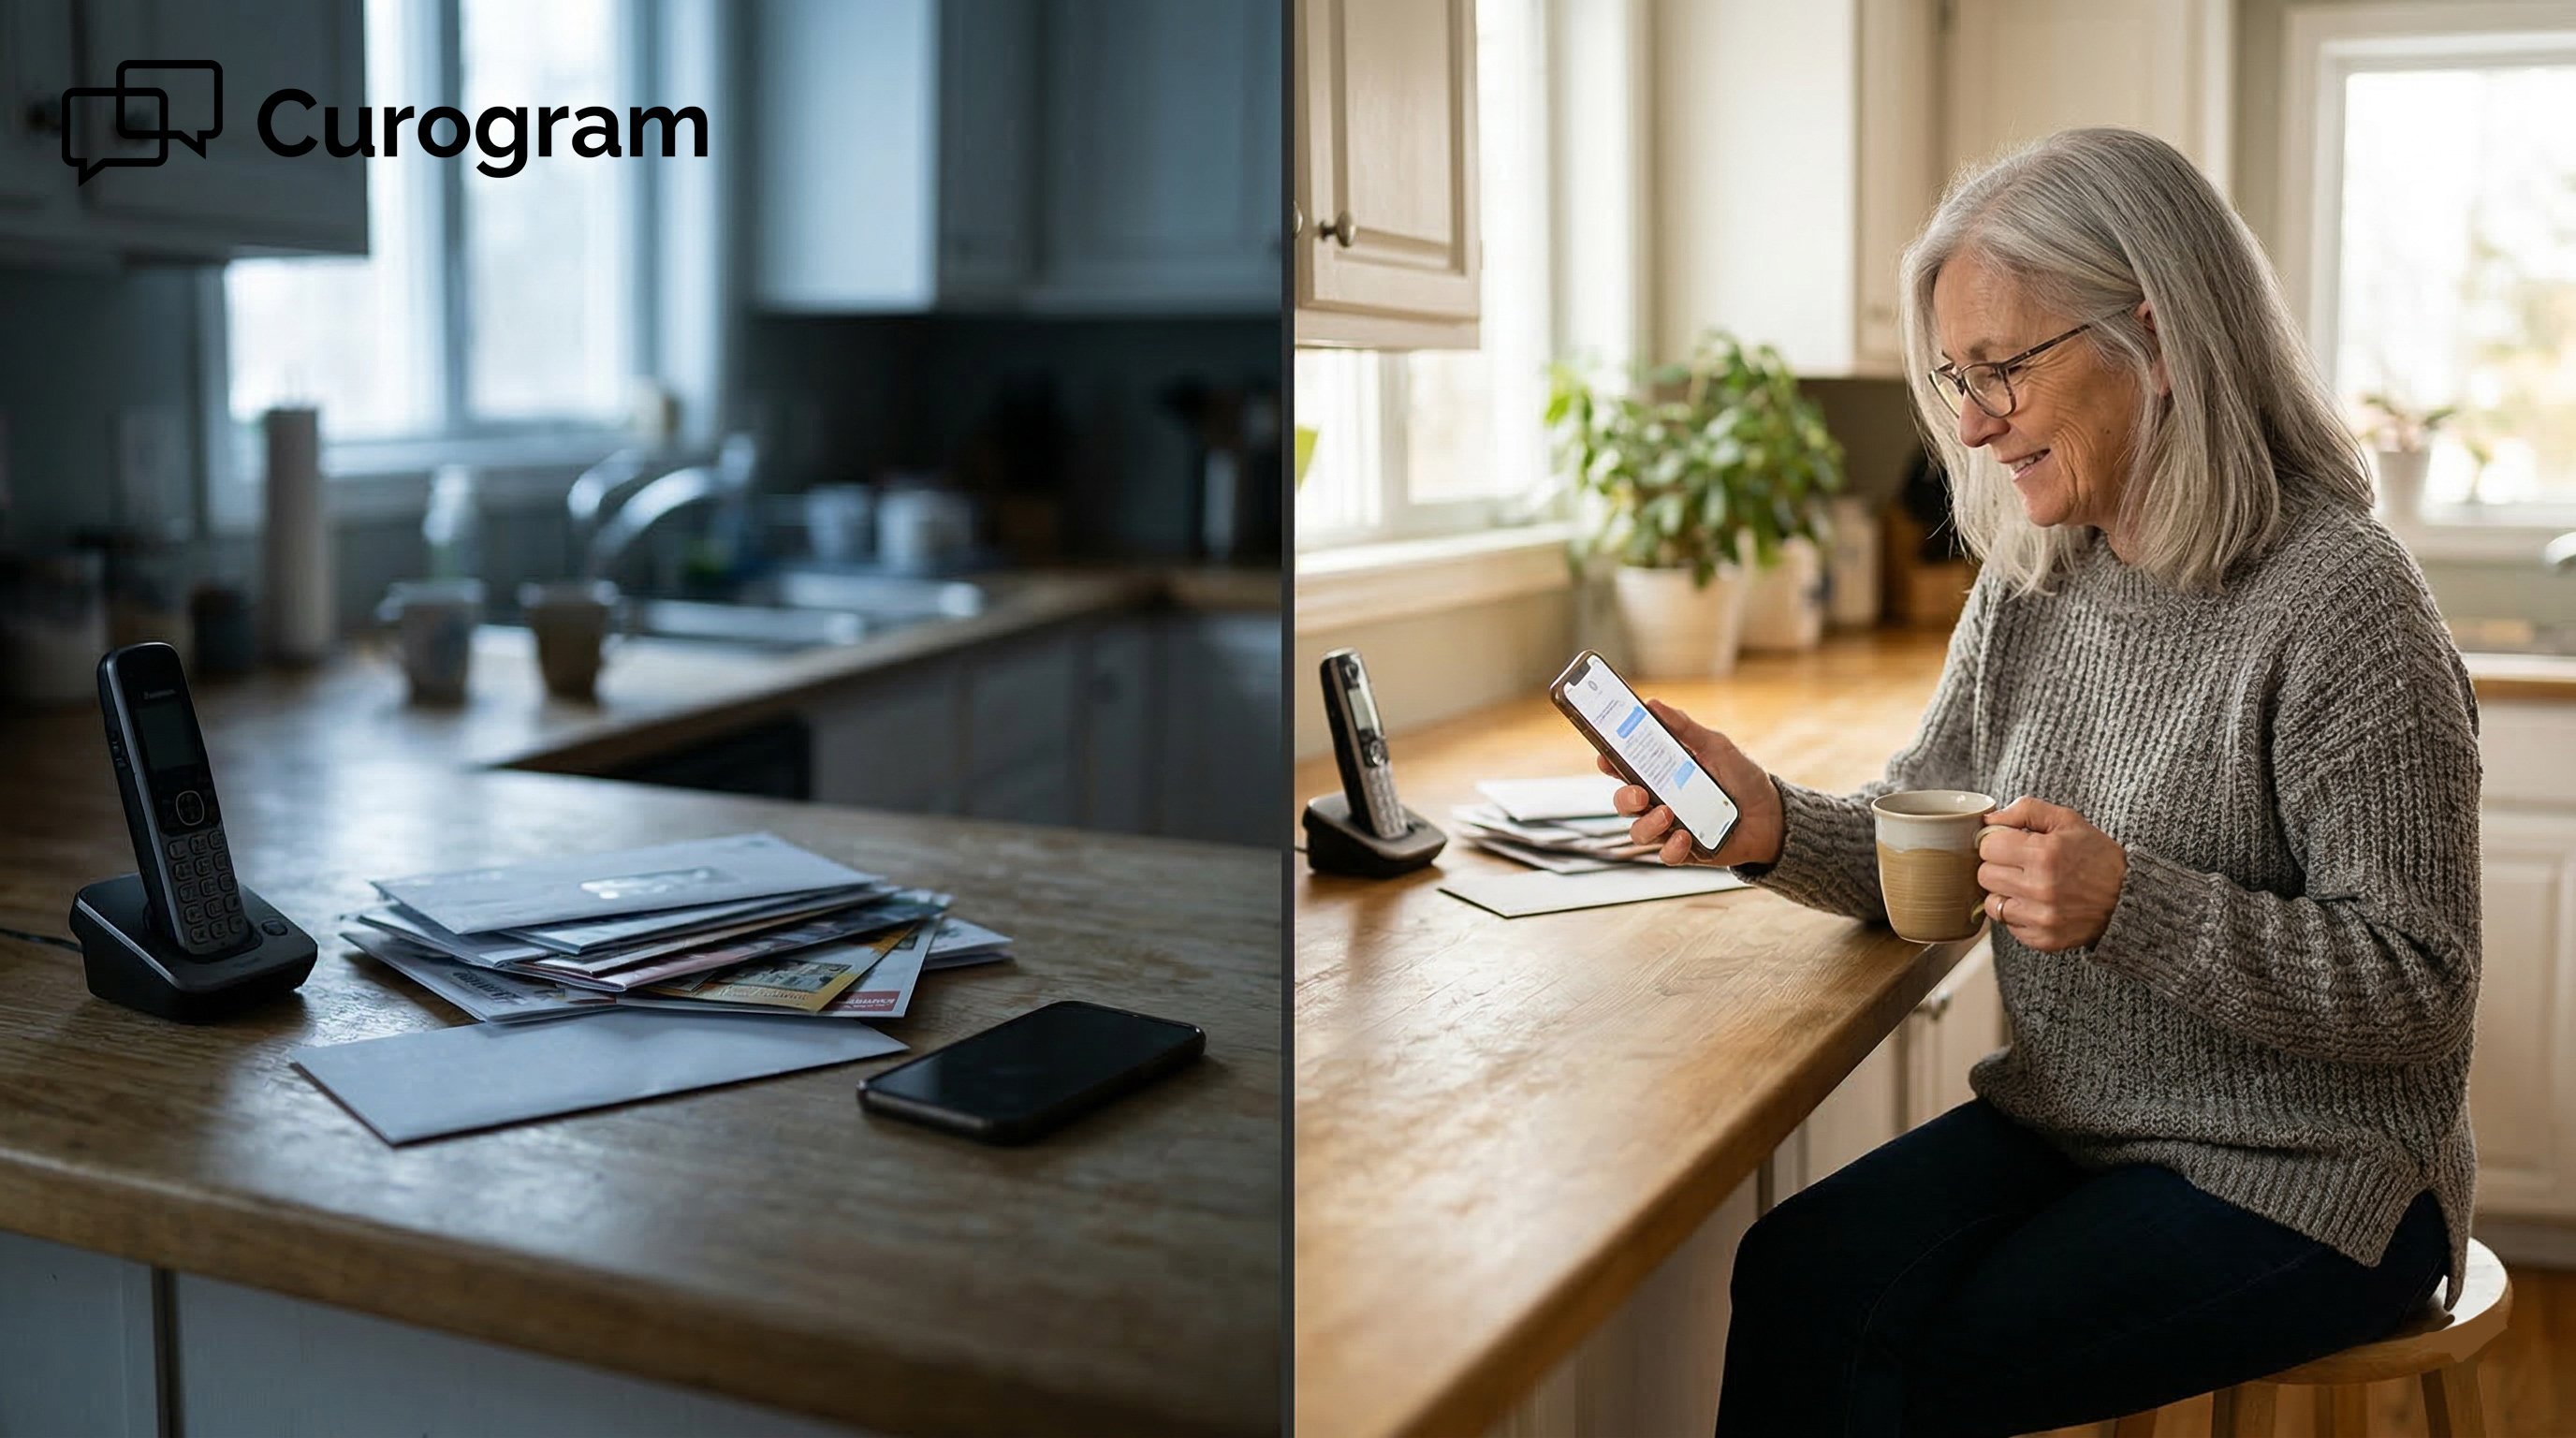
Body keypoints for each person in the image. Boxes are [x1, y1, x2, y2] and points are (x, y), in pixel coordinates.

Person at [1607, 127, 2479, 1437]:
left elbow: (2419, 984)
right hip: (2078, 1124)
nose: (1968, 422)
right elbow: (1938, 843)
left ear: (2162, 339)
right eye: (1957, 376)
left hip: (2317, 1178)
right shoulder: (2036, 579)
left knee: (1894, 1368)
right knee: (1796, 1273)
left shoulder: (2345, 603)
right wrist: (1770, 820)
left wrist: (2133, 905)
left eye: (2003, 368)